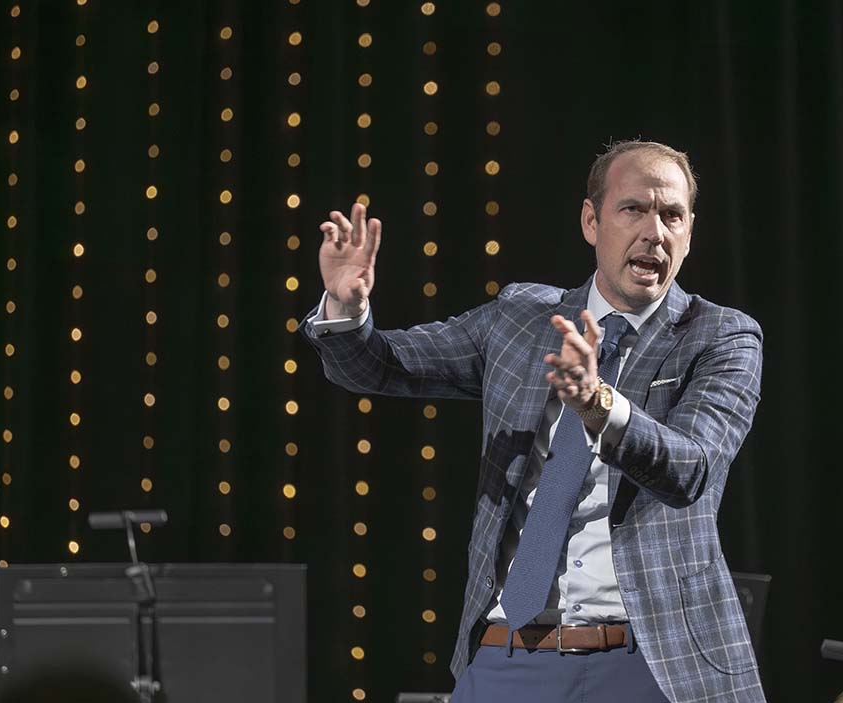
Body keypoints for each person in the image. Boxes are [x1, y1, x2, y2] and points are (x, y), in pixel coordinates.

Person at [304, 141, 766, 702]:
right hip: (512, 653)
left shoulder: (719, 337)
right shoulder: (523, 319)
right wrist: (344, 307)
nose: (655, 231)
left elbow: (689, 469)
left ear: (689, 233)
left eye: (672, 216)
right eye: (634, 210)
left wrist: (597, 402)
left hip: (649, 661)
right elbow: (379, 367)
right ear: (591, 221)